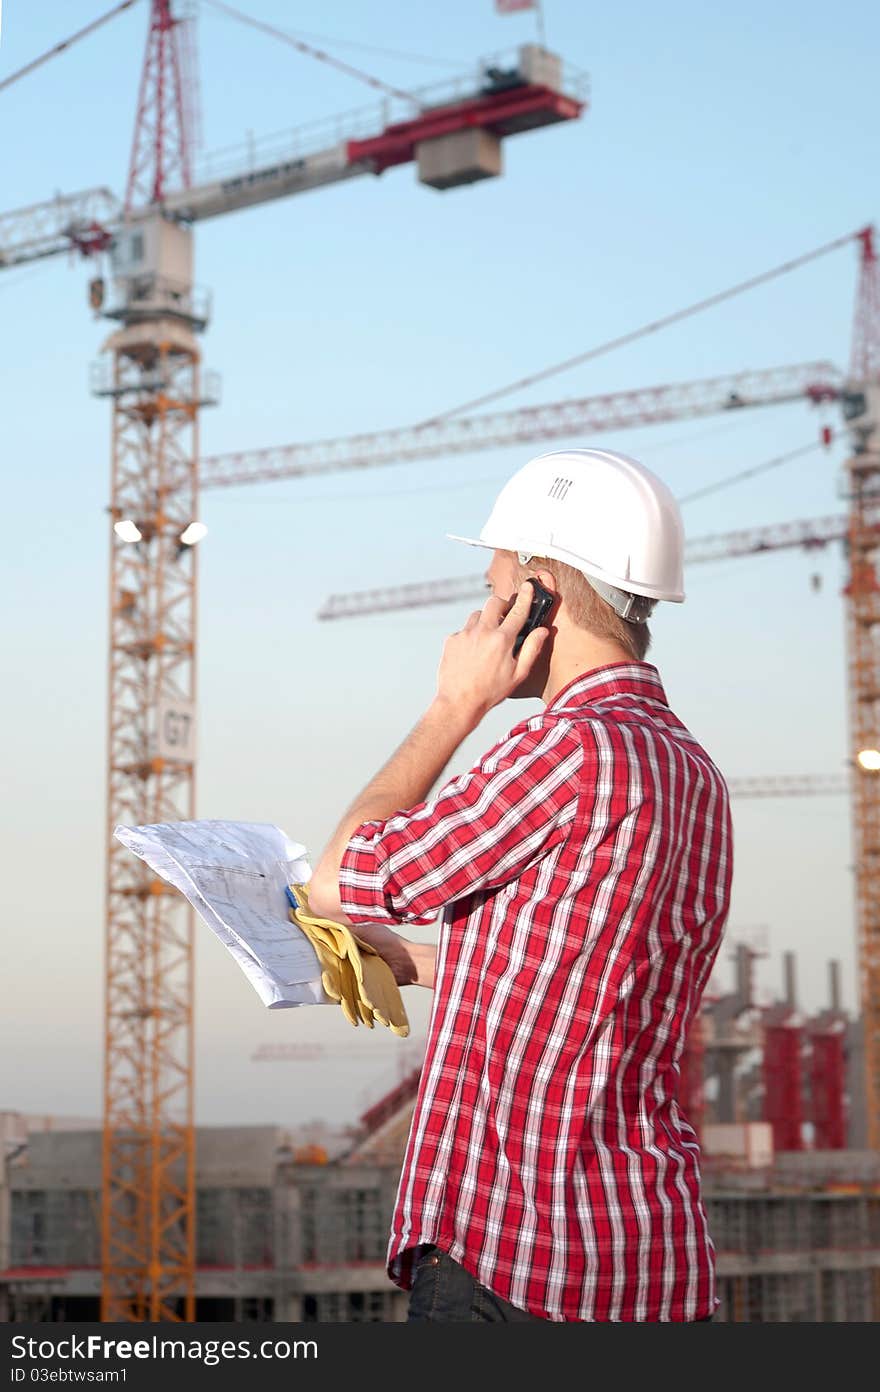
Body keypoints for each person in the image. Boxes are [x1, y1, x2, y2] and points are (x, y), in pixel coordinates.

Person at [307, 447, 732, 1322]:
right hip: (647, 1255)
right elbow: (587, 975)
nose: (480, 606)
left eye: (494, 579)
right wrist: (422, 964)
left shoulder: (567, 750)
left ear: (537, 592)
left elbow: (342, 880)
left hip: (519, 1257)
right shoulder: (693, 770)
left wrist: (452, 707)